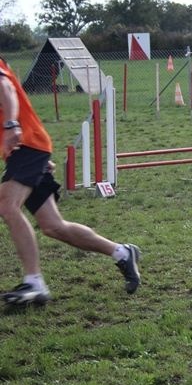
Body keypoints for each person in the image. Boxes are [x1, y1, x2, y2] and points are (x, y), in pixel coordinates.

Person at [0, 56, 141, 305]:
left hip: (26, 145)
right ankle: (121, 252)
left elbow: (6, 88)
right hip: (24, 152)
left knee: (7, 206)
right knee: (53, 226)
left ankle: (34, 283)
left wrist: (12, 125)